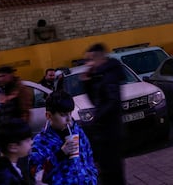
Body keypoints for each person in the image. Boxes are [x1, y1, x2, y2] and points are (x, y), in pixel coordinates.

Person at [29, 90, 97, 184]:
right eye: (63, 115)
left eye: (70, 113)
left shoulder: (77, 131)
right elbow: (37, 175)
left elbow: (89, 156)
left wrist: (92, 177)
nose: (69, 119)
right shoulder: (40, 141)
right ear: (49, 116)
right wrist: (59, 155)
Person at [83, 43, 126, 185]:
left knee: (112, 170)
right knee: (108, 169)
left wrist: (96, 118)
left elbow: (112, 102)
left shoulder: (109, 76)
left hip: (110, 131)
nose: (87, 64)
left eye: (89, 60)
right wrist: (87, 83)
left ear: (97, 58)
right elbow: (94, 101)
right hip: (105, 131)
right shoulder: (99, 75)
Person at [0, 119, 32, 185]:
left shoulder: (5, 167)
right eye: (28, 140)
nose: (32, 142)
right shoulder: (5, 176)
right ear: (13, 147)